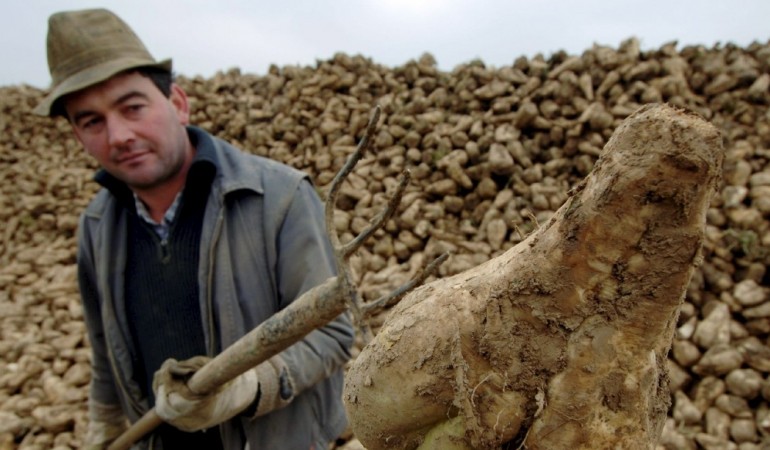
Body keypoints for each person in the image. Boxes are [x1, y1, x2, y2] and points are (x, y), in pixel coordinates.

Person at [34, 8, 354, 450]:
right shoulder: (97, 226)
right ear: (76, 135)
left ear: (177, 104)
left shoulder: (279, 197)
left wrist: (247, 388)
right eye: (92, 121)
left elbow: (332, 333)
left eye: (132, 107)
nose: (119, 135)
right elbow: (107, 357)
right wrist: (104, 431)